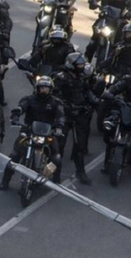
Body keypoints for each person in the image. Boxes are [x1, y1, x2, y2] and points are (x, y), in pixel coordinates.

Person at [1, 76, 66, 188]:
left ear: (50, 89)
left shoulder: (56, 102)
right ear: (37, 88)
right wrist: (16, 115)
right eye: (42, 88)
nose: (44, 90)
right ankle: (5, 181)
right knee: (14, 155)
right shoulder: (29, 99)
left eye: (46, 88)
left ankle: (57, 180)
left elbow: (61, 116)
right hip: (29, 131)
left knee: (56, 157)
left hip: (47, 133)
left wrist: (59, 127)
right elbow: (21, 107)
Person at [53, 53, 98, 184]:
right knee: (59, 145)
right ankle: (55, 173)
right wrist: (66, 105)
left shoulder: (81, 77)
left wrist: (95, 101)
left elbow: (87, 91)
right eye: (79, 65)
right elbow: (54, 95)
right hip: (65, 115)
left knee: (80, 146)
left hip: (79, 114)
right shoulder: (61, 77)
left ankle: (80, 172)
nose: (82, 67)